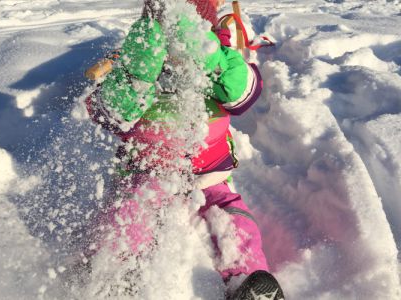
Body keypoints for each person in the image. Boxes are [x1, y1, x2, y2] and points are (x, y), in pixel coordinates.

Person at [85, 0, 284, 298]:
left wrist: (215, 59)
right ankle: (113, 274)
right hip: (147, 172)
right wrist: (135, 79)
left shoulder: (217, 62)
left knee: (232, 217)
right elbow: (105, 112)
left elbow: (245, 95)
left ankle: (247, 280)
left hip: (208, 175)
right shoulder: (138, 61)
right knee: (131, 210)